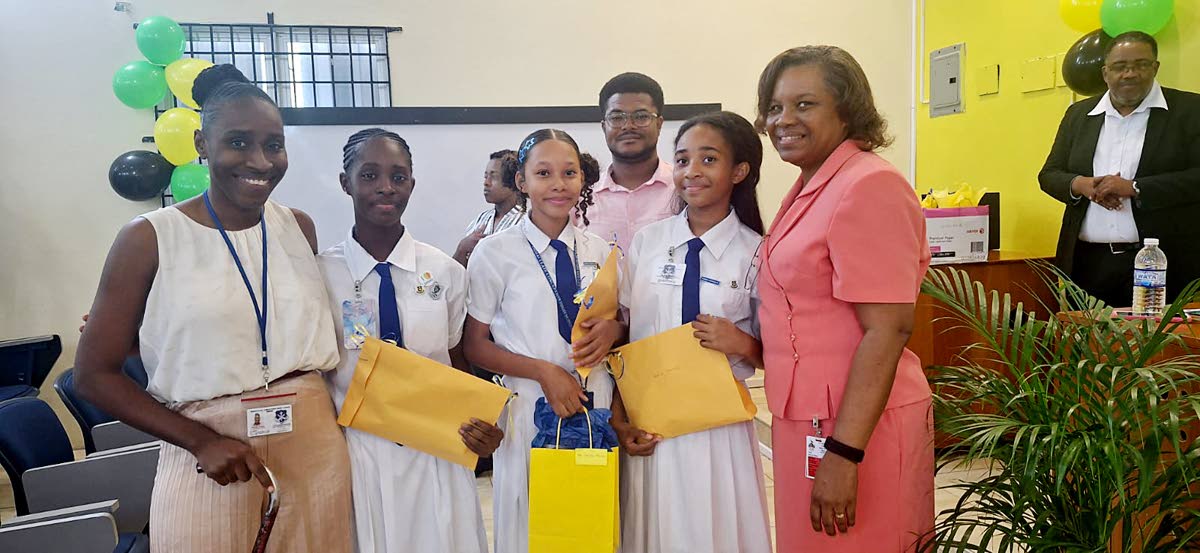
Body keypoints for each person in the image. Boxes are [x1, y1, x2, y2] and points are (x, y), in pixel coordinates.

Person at [73, 64, 352, 552]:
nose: (261, 161)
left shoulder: (299, 228)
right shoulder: (149, 237)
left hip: (314, 450)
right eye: (239, 142)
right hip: (210, 454)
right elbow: (95, 375)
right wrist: (199, 441)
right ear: (202, 144)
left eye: (273, 144)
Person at [753, 46, 935, 551]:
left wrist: (845, 453)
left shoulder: (869, 185)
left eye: (804, 104)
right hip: (806, 419)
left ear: (847, 109)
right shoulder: (811, 184)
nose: (783, 119)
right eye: (774, 107)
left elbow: (888, 328)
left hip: (859, 428)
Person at [318, 128, 505, 553]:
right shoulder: (321, 275)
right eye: (369, 175)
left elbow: (458, 361)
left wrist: (483, 425)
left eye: (398, 177)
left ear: (411, 185)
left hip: (436, 447)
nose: (386, 187)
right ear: (345, 182)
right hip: (358, 451)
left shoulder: (444, 272)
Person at [616, 111, 773, 553]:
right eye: (682, 160)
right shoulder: (648, 242)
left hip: (716, 423)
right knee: (654, 527)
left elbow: (779, 351)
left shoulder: (756, 252)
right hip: (651, 417)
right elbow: (625, 331)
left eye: (708, 159)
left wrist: (741, 342)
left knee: (713, 528)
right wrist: (619, 416)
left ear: (739, 171)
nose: (691, 172)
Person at [463, 129, 622, 553]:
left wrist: (616, 330)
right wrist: (543, 371)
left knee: (588, 522)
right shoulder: (495, 252)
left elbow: (612, 323)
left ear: (582, 180)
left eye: (569, 173)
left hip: (593, 401)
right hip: (531, 403)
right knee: (532, 520)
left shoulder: (598, 248)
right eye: (543, 173)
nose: (558, 184)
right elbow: (474, 344)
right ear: (522, 182)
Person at [1039, 31, 1200, 308]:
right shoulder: (1079, 115)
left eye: (1141, 65)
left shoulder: (1189, 109)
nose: (1130, 74)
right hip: (1087, 262)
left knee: (1154, 350)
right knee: (1087, 347)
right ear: (1105, 72)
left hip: (1161, 265)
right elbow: (1049, 174)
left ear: (1155, 67)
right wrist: (1082, 184)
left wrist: (1136, 188)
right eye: (1119, 67)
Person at [584, 73, 679, 252]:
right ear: (604, 127)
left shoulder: (683, 188)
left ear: (659, 124)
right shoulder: (583, 196)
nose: (628, 126)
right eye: (617, 118)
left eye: (641, 116)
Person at [455, 149, 525, 265]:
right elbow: (456, 273)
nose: (486, 183)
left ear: (515, 181)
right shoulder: (481, 219)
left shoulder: (525, 223)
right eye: (485, 176)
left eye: (494, 177)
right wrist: (462, 248)